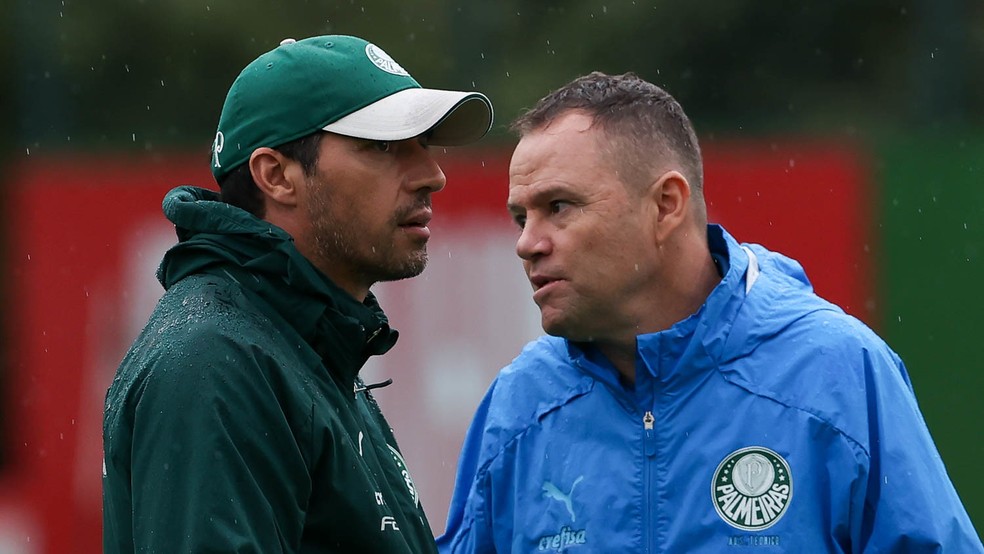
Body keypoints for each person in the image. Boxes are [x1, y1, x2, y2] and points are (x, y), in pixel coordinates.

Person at [436, 72, 982, 553]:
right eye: (519, 218)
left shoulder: (837, 373)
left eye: (558, 207)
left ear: (666, 205)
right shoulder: (520, 403)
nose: (527, 243)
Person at [102, 34, 492, 553]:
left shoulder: (301, 341)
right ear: (276, 175)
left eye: (424, 145)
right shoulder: (217, 362)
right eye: (384, 146)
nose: (432, 175)